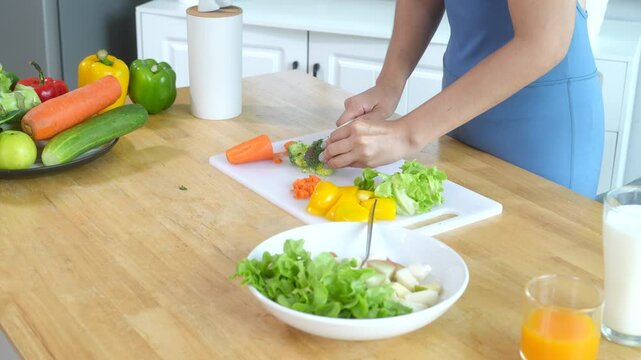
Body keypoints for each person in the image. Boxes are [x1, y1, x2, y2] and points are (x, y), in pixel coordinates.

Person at [321, 0, 604, 198]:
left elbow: (543, 43)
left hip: (541, 134)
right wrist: (389, 84)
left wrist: (405, 134)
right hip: (461, 116)